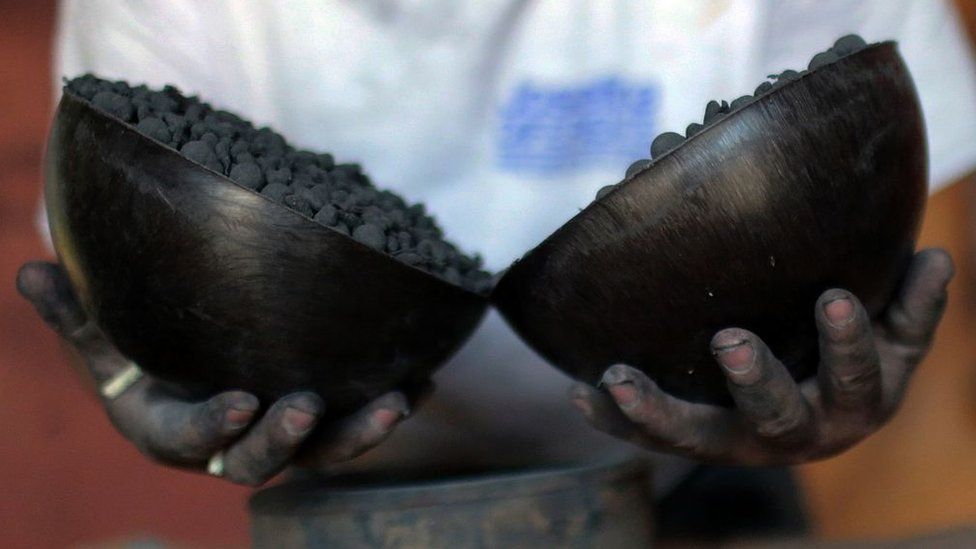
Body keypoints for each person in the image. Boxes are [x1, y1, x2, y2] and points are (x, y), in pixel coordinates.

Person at [15, 0, 976, 539]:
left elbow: (918, 320)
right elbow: (132, 268)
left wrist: (851, 414)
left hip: (698, 493)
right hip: (351, 510)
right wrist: (149, 369)